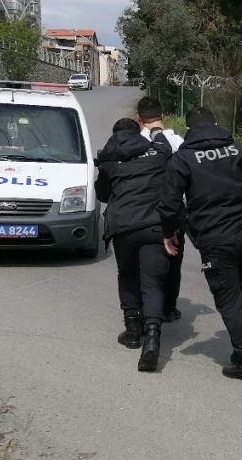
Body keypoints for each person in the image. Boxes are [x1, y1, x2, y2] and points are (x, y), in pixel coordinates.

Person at [157, 107, 242, 383]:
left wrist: (169, 232)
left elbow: (169, 204)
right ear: (215, 124)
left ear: (189, 129)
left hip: (214, 237)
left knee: (228, 298)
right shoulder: (236, 148)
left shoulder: (183, 158)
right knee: (235, 289)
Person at [95, 118, 174, 372]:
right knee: (152, 282)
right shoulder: (158, 152)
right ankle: (152, 339)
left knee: (128, 275)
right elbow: (166, 149)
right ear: (138, 132)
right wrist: (157, 131)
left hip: (124, 227)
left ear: (115, 135)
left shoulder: (109, 159)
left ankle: (132, 332)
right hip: (153, 224)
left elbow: (102, 195)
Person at [136, 96, 186, 323]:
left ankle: (144, 307)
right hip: (175, 209)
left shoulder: (135, 141)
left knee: (142, 263)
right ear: (162, 117)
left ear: (139, 118)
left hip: (143, 209)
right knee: (174, 260)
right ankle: (169, 307)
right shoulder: (177, 141)